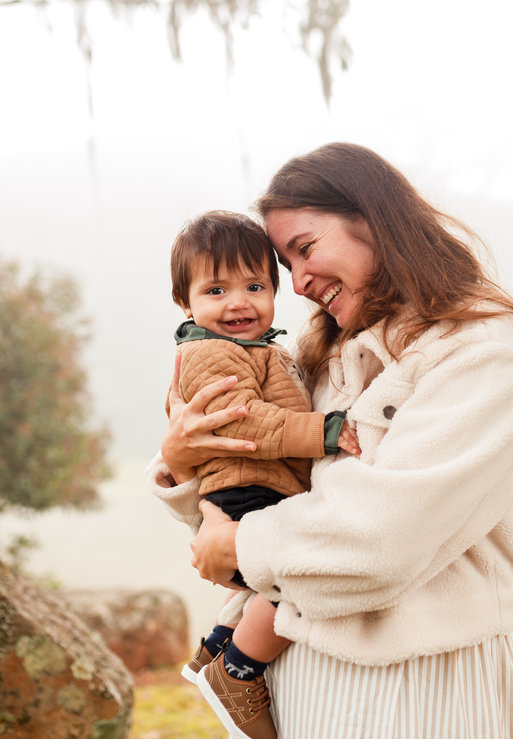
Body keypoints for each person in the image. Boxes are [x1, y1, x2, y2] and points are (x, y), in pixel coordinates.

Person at [146, 143, 513, 738]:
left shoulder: (485, 352)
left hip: (424, 692)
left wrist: (236, 545)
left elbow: (381, 538)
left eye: (305, 248)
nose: (299, 282)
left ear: (375, 221)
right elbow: (264, 493)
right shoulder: (323, 352)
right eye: (287, 265)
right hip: (301, 687)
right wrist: (183, 467)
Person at [165, 209, 360, 739]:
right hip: (245, 489)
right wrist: (325, 431)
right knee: (297, 577)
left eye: (255, 286)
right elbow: (245, 419)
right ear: (185, 303)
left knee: (280, 574)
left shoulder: (261, 350)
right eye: (216, 290)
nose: (238, 303)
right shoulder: (209, 353)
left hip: (261, 484)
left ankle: (217, 645)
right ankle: (238, 671)